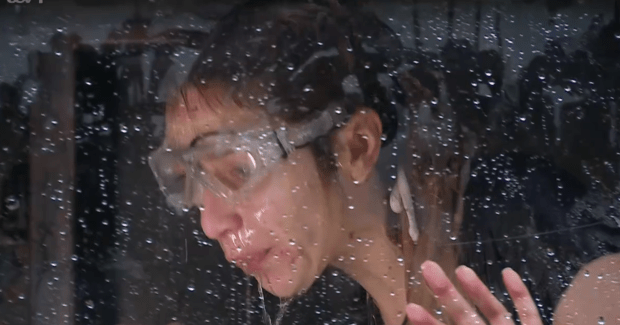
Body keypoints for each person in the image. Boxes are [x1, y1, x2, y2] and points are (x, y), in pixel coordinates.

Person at [147, 1, 620, 324]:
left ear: (358, 146)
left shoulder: (531, 222)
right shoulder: (333, 311)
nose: (210, 221)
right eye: (189, 182)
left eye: (238, 170)